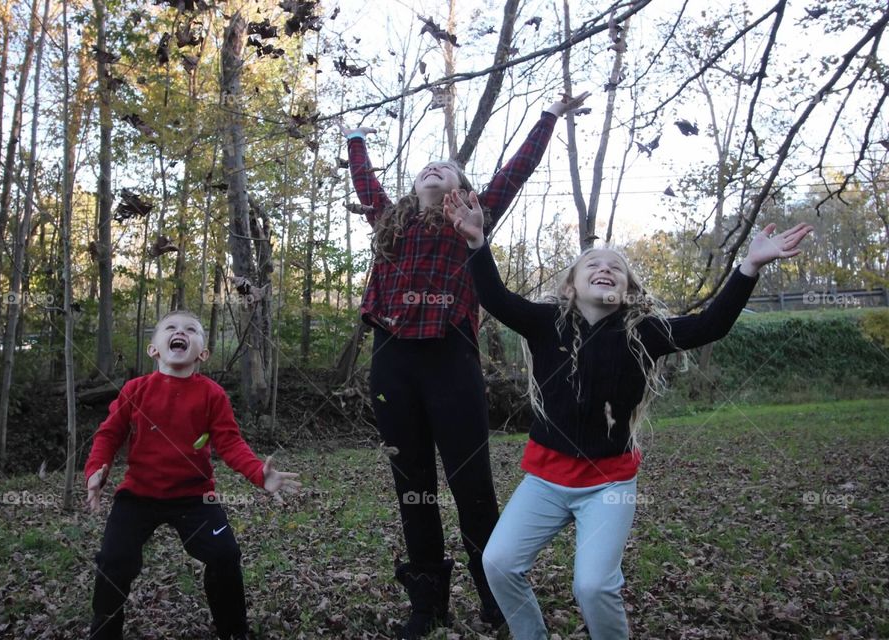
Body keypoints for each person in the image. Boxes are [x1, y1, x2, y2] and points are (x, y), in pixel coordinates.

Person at [444, 188, 812, 640]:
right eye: (593, 265)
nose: (605, 269)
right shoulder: (545, 324)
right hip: (546, 479)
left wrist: (748, 267)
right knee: (498, 562)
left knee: (594, 585)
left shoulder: (647, 334)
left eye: (615, 267)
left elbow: (710, 325)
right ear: (570, 286)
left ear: (627, 290)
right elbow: (497, 300)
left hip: (608, 484)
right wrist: (477, 243)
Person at [341, 92, 590, 639]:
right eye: (427, 167)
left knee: (471, 485)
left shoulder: (471, 217)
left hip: (452, 359)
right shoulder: (389, 220)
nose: (434, 168)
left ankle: (495, 596)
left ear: (460, 189)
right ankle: (427, 601)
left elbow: (516, 171)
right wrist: (356, 136)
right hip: (392, 360)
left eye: (447, 168)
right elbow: (364, 181)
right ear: (414, 187)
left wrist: (548, 116)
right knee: (414, 487)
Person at [84, 309, 301, 640]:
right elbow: (108, 434)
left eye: (191, 329)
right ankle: (104, 632)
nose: (180, 331)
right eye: (170, 327)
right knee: (114, 560)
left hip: (194, 497)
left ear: (203, 352)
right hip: (138, 496)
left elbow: (230, 443)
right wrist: (95, 471)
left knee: (225, 554)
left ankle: (234, 631)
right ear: (154, 348)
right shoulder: (135, 390)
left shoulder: (212, 394)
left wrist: (259, 473)